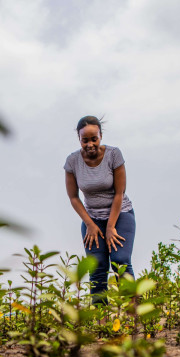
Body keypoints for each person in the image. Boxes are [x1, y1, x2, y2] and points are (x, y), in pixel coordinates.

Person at [64, 115, 135, 303]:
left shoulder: (114, 155)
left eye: (93, 139)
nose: (90, 144)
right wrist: (90, 224)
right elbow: (73, 197)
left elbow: (120, 193)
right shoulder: (72, 162)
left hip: (120, 214)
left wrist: (111, 227)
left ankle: (132, 316)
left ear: (100, 136)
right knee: (97, 267)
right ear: (79, 139)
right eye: (85, 140)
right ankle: (100, 321)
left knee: (120, 260)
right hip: (92, 219)